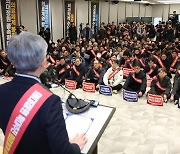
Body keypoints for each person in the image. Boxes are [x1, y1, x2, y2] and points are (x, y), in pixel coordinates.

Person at [0, 32, 87, 154]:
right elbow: (64, 152)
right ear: (42, 62)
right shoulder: (50, 101)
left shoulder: (1, 91)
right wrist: (76, 146)